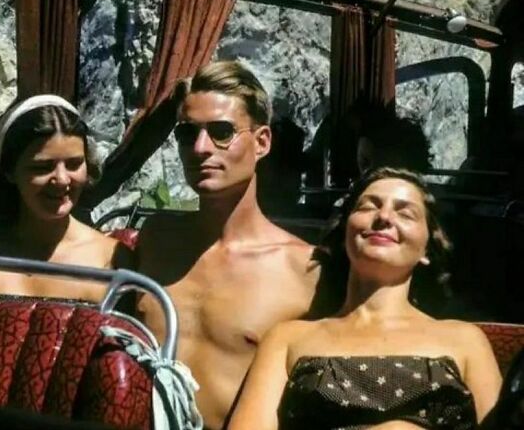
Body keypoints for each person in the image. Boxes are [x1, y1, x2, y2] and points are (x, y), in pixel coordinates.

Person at [228, 167, 502, 430]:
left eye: (405, 213)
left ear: (427, 250)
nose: (384, 217)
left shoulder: (466, 340)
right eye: (368, 206)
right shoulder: (287, 339)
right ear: (345, 231)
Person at [136, 61, 320, 430]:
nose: (200, 148)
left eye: (222, 132)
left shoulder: (305, 269)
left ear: (262, 142)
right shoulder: (155, 239)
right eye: (187, 134)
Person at [0, 95, 131, 303]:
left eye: (74, 164)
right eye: (42, 167)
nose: (61, 179)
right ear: (9, 171)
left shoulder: (113, 260)